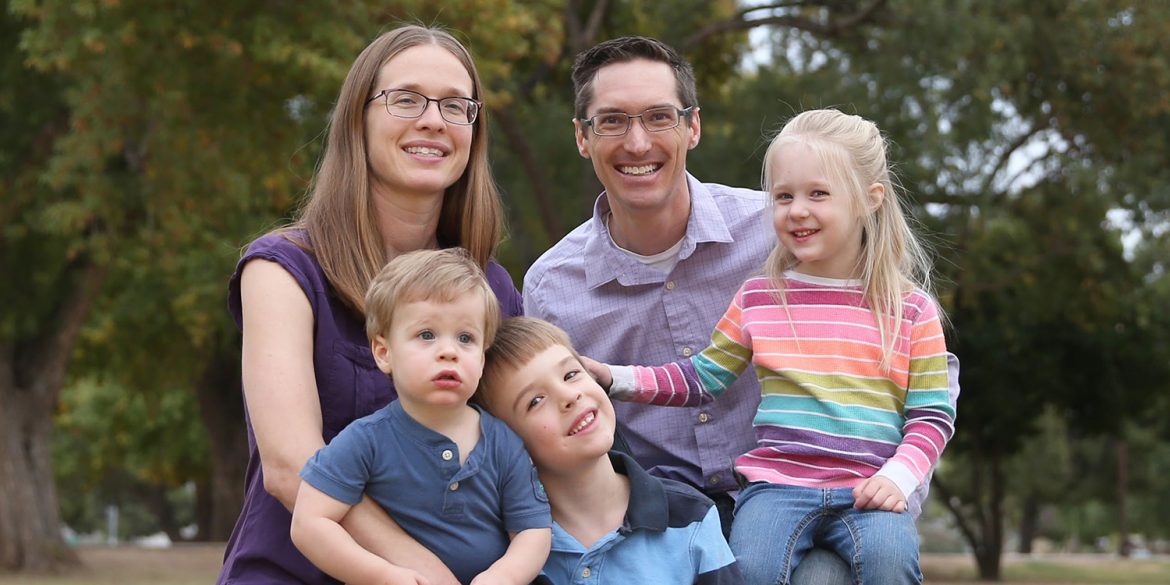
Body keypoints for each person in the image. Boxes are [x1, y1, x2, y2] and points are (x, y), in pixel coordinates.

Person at [522, 35, 960, 584]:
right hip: (659, 525)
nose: (637, 142)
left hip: (826, 495)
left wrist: (896, 480)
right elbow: (551, 420)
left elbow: (927, 381)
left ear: (693, 126)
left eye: (659, 117)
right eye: (611, 121)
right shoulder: (551, 286)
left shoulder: (783, 231)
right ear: (583, 138)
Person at [219, 24, 522, 585]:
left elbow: (527, 446)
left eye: (457, 106)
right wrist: (422, 573)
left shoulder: (493, 290)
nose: (433, 119)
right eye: (406, 99)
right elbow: (291, 469)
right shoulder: (284, 270)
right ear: (358, 117)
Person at [291, 249, 551, 585]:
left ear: (483, 359)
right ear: (384, 353)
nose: (449, 351)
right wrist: (383, 575)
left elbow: (533, 530)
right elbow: (309, 522)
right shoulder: (367, 440)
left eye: (466, 338)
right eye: (426, 335)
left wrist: (501, 577)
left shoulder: (503, 443)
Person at [477, 316, 742, 585]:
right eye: (535, 401)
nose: (569, 396)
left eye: (571, 374)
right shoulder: (507, 553)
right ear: (506, 445)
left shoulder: (690, 517)